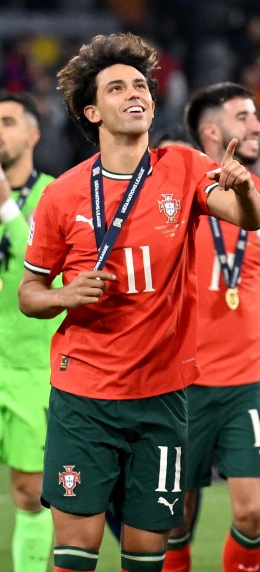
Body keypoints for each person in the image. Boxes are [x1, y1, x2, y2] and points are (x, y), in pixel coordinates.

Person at [18, 33, 260, 572]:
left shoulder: (180, 164)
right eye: (117, 87)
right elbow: (29, 294)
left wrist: (243, 188)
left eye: (140, 86)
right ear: (92, 111)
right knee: (76, 552)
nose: (135, 94)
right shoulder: (63, 194)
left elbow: (249, 219)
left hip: (162, 393)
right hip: (85, 393)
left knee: (147, 552)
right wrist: (65, 294)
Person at [160, 83, 260, 572]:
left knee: (254, 512)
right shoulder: (173, 199)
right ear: (212, 132)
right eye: (244, 117)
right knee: (174, 517)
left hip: (245, 382)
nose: (258, 126)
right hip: (183, 381)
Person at [0, 93, 61, 572]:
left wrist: (5, 208)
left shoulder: (55, 196)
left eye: (6, 122)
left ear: (32, 135)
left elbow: (50, 282)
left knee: (29, 490)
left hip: (30, 369)